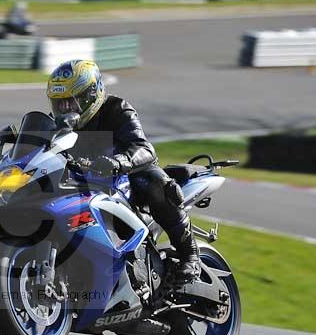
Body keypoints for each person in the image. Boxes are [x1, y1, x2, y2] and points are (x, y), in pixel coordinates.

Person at [46, 59, 200, 283]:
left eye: (72, 102)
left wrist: (119, 162)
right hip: (84, 185)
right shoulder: (57, 125)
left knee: (155, 183)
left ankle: (190, 256)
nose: (65, 110)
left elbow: (144, 148)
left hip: (125, 182)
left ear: (91, 94)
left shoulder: (117, 109)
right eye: (60, 104)